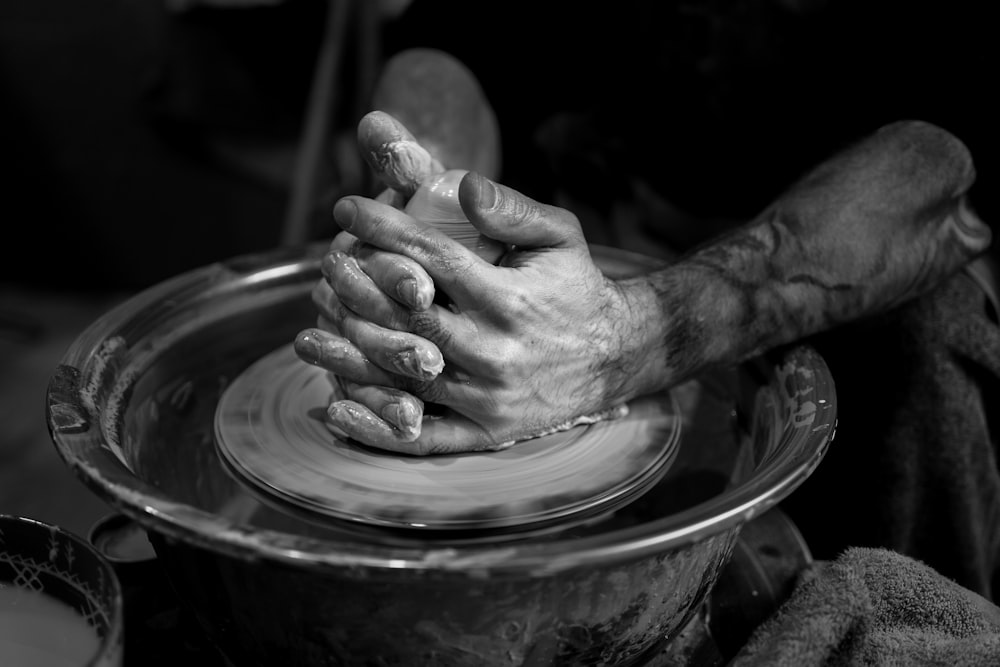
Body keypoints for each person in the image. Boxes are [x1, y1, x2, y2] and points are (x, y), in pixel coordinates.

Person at [293, 108, 992, 455]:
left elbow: (943, 171)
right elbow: (453, 55)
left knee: (932, 330)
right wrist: (422, 228)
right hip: (578, 231)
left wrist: (624, 342)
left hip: (821, 250)